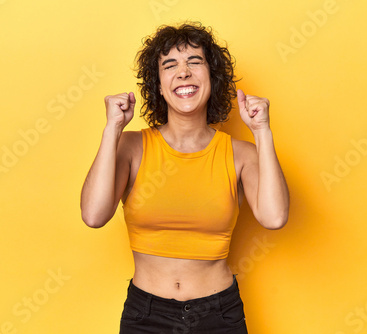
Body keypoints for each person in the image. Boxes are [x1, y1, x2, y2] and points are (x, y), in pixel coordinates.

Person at [80, 22, 289, 334]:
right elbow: (94, 215)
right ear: (159, 85)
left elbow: (274, 217)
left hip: (219, 314)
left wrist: (262, 132)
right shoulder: (131, 147)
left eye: (195, 61)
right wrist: (112, 129)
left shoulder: (241, 154)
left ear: (212, 78)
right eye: (170, 65)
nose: (184, 72)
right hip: (146, 316)